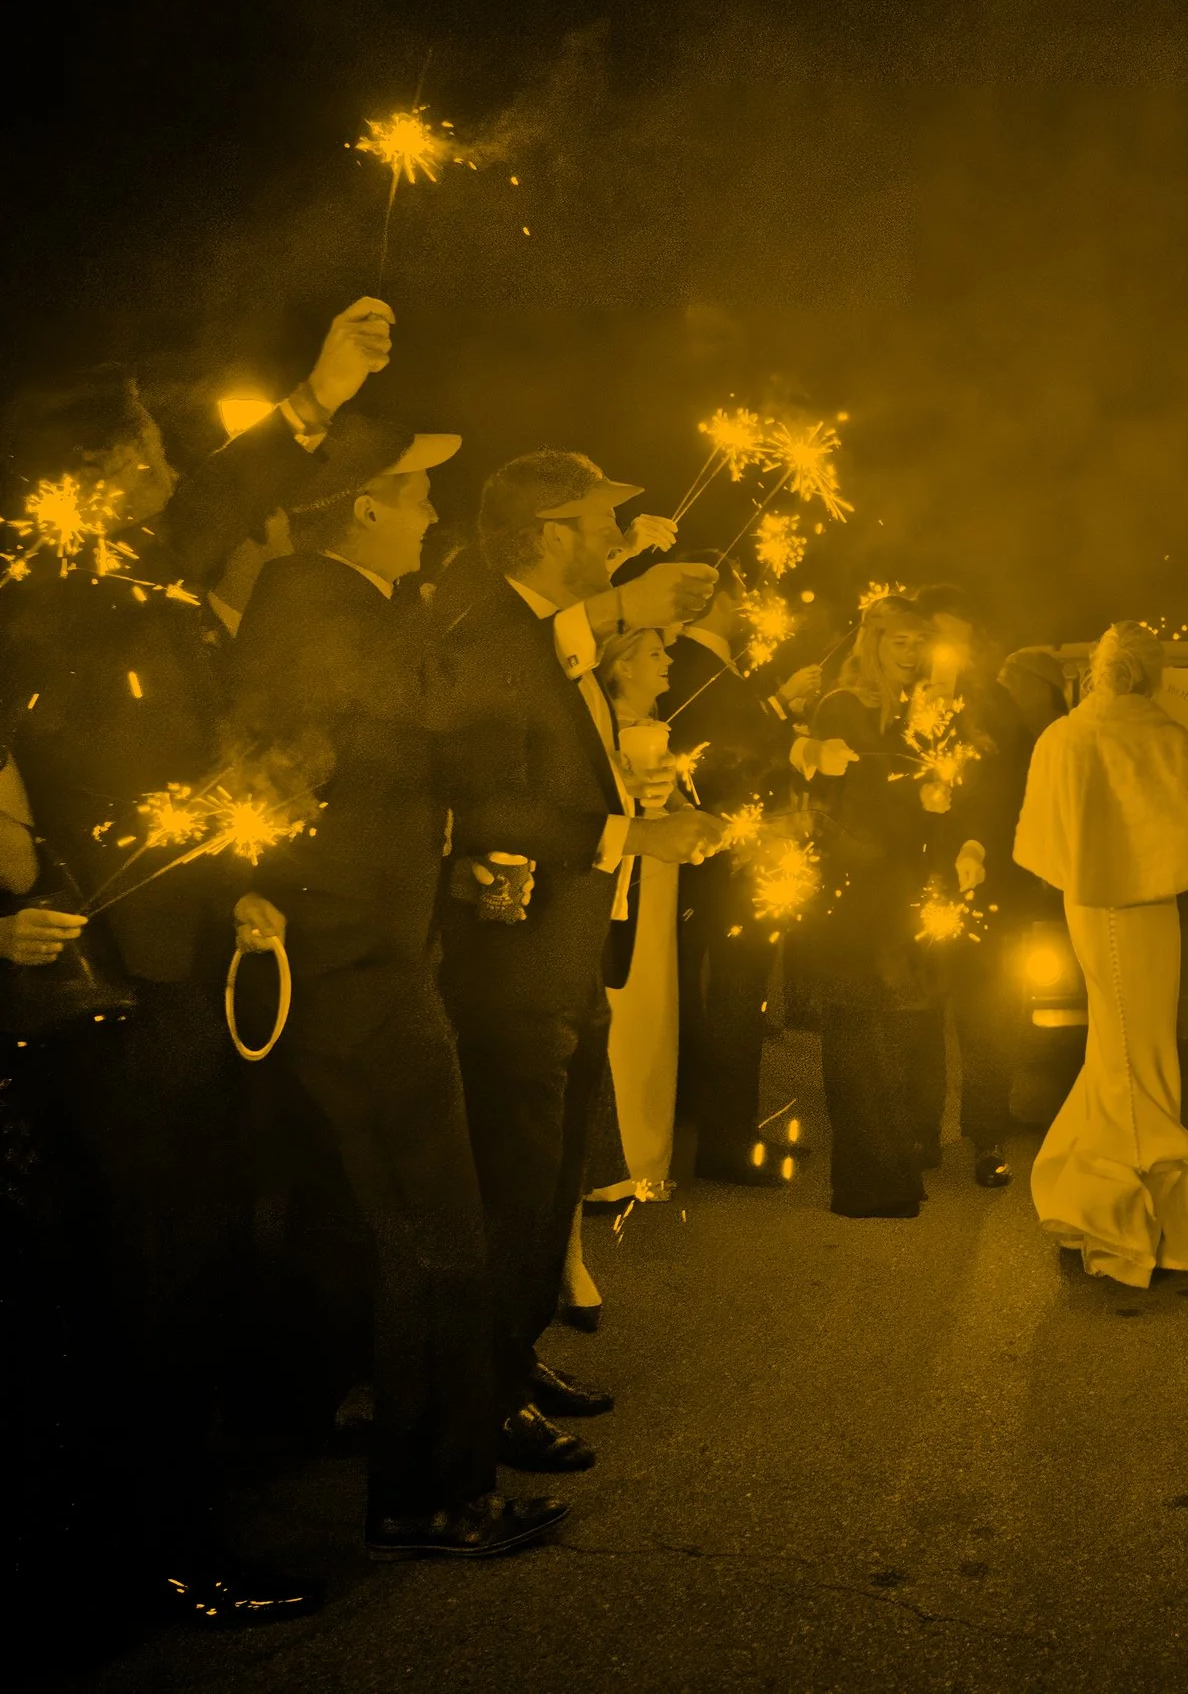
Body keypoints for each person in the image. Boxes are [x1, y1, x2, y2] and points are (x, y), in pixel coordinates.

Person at [0, 300, 392, 1623]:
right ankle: (154, 1552)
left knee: (190, 1257)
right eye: (149, 450)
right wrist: (7, 911)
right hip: (103, 988)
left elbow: (199, 748)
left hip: (183, 967)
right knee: (145, 1276)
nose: (171, 466)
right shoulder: (40, 595)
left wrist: (249, 897)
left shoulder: (130, 580)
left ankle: (150, 1532)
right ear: (92, 476)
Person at [224, 416, 564, 1560]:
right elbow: (429, 732)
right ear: (365, 504)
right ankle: (433, 1493)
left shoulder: (329, 609)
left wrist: (456, 852)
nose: (431, 513)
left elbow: (376, 769)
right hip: (357, 962)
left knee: (391, 1222)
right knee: (439, 1230)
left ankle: (364, 1438)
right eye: (417, 493)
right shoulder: (328, 604)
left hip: (359, 945)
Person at [433, 451, 724, 1474]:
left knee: (551, 1182)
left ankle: (513, 1356)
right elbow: (487, 805)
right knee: (510, 1187)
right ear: (549, 532)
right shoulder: (487, 633)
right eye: (602, 522)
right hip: (511, 967)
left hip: (565, 957)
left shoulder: (553, 643)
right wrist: (624, 842)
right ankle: (480, 1393)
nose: (615, 537)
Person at [1014, 622, 1188, 1286]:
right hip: (1149, 913)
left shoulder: (1061, 737)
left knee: (1113, 1043)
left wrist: (1087, 864)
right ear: (1153, 675)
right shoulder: (1166, 738)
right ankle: (1126, 1215)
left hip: (1088, 909)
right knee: (1139, 1048)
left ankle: (1095, 1192)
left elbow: (1039, 841)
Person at [801, 595, 983, 1218]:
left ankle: (895, 1165)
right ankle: (867, 1181)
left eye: (917, 643)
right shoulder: (841, 706)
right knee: (857, 1031)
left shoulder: (922, 710)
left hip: (904, 887)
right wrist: (915, 800)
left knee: (894, 1032)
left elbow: (944, 786)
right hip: (853, 892)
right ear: (872, 643)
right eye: (898, 642)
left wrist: (949, 812)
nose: (909, 654)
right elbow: (830, 799)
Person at [664, 579, 819, 1189]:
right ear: (720, 599)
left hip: (736, 854)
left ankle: (724, 1126)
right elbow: (721, 758)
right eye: (740, 597)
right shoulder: (697, 666)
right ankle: (726, 1142)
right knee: (735, 997)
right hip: (733, 861)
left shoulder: (716, 666)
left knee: (733, 997)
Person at [919, 584, 1040, 1190]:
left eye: (955, 638)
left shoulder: (995, 705)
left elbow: (1012, 792)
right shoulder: (899, 702)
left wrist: (979, 842)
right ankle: (917, 1132)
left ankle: (986, 1132)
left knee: (989, 1013)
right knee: (914, 1009)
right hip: (914, 876)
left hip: (989, 876)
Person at [583, 627, 687, 1206]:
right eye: (654, 653)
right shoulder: (599, 731)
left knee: (653, 1017)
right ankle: (618, 1159)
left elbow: (674, 806)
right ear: (620, 668)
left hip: (659, 889)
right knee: (620, 1017)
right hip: (622, 886)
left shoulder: (660, 733)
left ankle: (648, 1156)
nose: (668, 660)